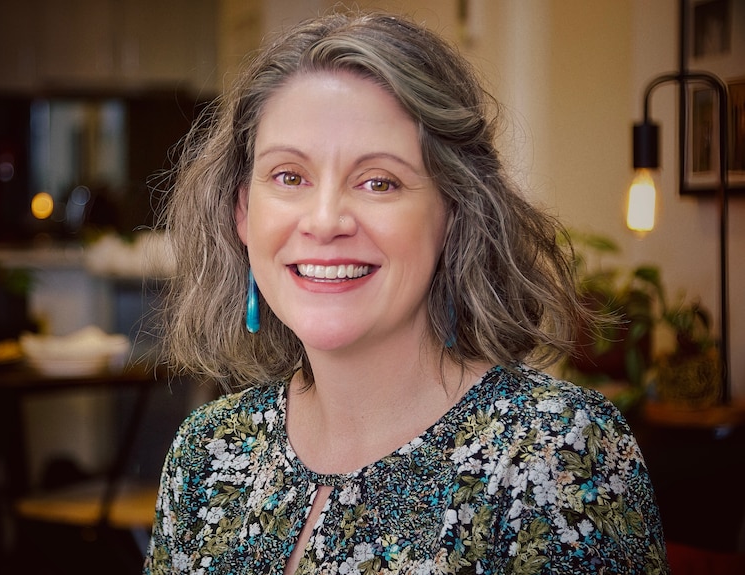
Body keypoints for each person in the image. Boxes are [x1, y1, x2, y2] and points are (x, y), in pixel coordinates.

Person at [144, 11, 669, 575]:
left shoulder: (556, 454)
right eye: (289, 176)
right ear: (242, 214)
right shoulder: (206, 452)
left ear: (453, 212)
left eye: (379, 182)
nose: (324, 222)